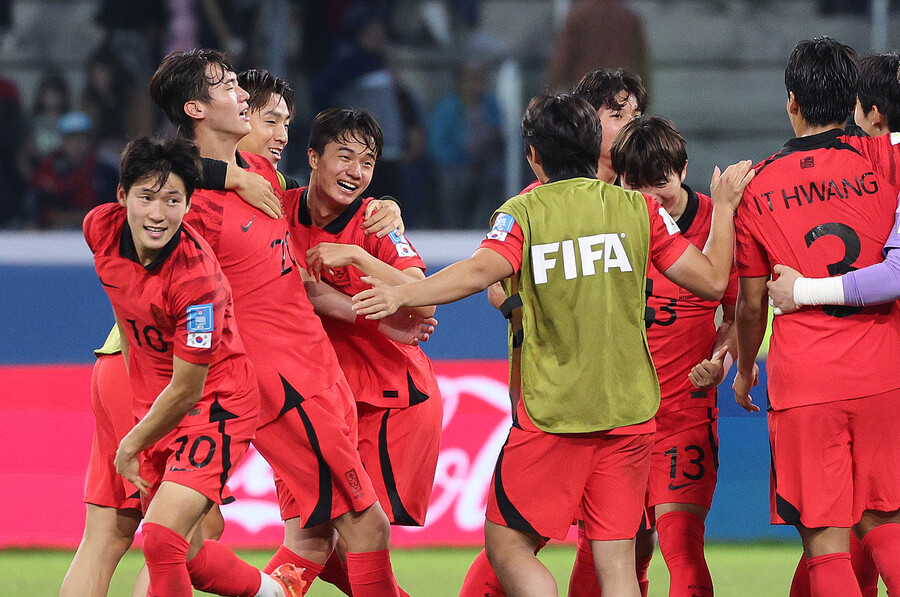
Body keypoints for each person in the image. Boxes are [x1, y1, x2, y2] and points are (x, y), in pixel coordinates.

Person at [353, 93, 753, 597]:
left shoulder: (523, 212)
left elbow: (481, 273)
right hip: (631, 414)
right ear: (595, 148)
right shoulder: (640, 210)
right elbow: (715, 283)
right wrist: (727, 209)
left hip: (556, 413)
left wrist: (402, 293)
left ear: (533, 156)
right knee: (618, 563)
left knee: (507, 544)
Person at [149, 48, 408, 596]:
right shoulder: (189, 201)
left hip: (318, 367)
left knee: (315, 537)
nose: (244, 95)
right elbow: (147, 177)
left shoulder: (261, 173)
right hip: (277, 381)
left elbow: (315, 210)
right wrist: (222, 177)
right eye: (228, 88)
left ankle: (267, 591)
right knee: (366, 525)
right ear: (195, 108)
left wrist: (383, 210)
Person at [83, 135, 304, 596]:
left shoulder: (197, 282)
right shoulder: (99, 229)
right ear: (122, 197)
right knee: (193, 542)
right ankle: (270, 593)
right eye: (146, 197)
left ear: (188, 204)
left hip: (217, 404)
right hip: (156, 404)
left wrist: (131, 443)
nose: (158, 214)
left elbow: (188, 390)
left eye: (173, 200)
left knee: (163, 538)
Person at [460, 66, 650, 597]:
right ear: (588, 127)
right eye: (618, 116)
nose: (632, 126)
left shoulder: (639, 200)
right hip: (556, 399)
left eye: (636, 114)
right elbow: (494, 281)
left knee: (628, 542)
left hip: (629, 397)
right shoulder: (539, 199)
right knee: (520, 539)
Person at [733, 37, 900, 597]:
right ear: (854, 98)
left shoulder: (755, 185)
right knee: (887, 527)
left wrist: (745, 368)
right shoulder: (886, 160)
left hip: (806, 379)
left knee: (826, 545)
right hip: (885, 371)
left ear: (791, 102)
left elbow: (751, 300)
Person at [284, 107, 443, 589]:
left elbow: (420, 296)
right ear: (312, 156)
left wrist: (355, 256)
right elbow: (293, 291)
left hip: (385, 399)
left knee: (337, 540)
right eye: (344, 156)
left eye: (368, 162)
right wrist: (361, 310)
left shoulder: (377, 223)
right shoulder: (276, 209)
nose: (356, 171)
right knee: (323, 546)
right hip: (308, 399)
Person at [607, 115, 741, 597]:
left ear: (682, 170)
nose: (648, 197)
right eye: (633, 184)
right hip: (616, 417)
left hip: (684, 413)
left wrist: (722, 363)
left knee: (681, 546)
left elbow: (736, 319)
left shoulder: (719, 220)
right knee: (619, 551)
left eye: (659, 182)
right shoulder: (608, 226)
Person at [546, 0, 650, 93]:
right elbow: (641, 63)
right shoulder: (629, 17)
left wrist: (549, 91)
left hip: (586, 92)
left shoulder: (578, 15)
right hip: (620, 91)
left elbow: (563, 60)